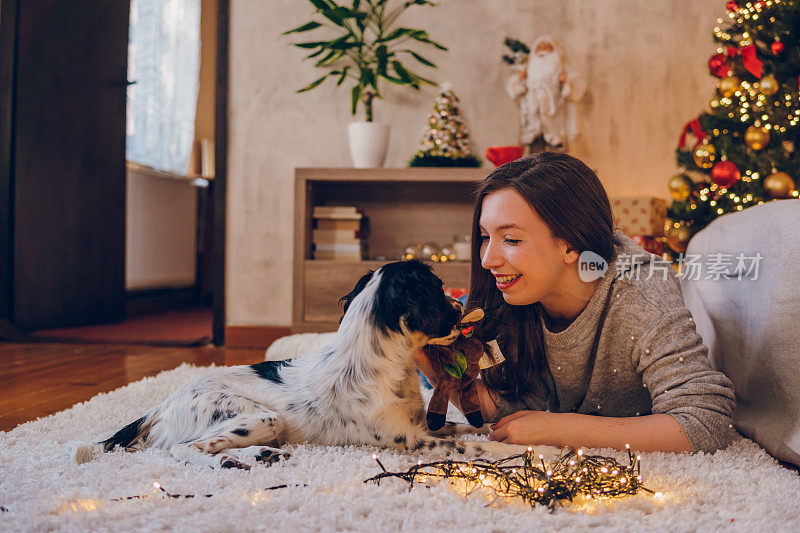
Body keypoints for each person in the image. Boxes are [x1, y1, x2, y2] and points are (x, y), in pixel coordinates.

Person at [416, 152, 737, 453]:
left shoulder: (641, 293)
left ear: (572, 244)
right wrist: (432, 367)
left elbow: (706, 422)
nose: (487, 260)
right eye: (486, 236)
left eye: (511, 239)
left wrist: (560, 429)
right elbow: (509, 407)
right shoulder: (512, 297)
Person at [505, 35, 586, 152]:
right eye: (539, 48)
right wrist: (520, 79)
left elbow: (575, 87)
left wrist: (565, 82)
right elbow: (517, 89)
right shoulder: (529, 67)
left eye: (546, 48)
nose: (542, 51)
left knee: (554, 142)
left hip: (553, 110)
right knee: (534, 143)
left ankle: (556, 161)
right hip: (533, 110)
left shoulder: (560, 67)